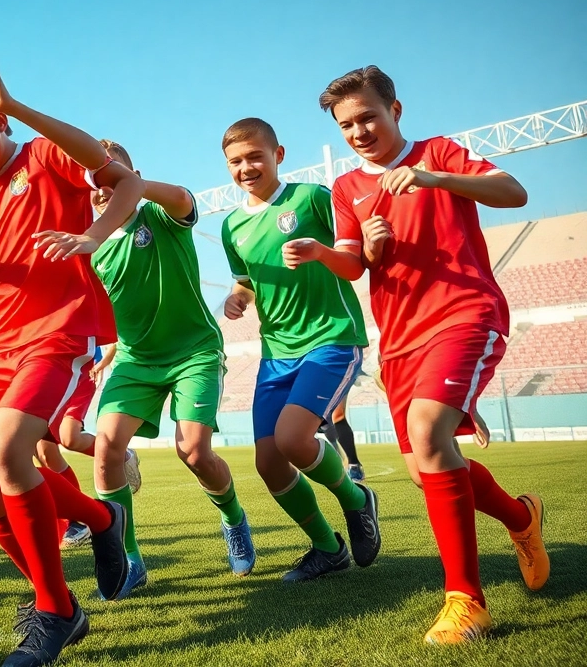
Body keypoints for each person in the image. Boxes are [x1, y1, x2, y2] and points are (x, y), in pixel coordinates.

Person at [319, 66, 548, 644]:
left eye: (368, 116)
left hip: (464, 313)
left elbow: (513, 192)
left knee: (427, 433)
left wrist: (433, 178)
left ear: (396, 110)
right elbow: (352, 267)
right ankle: (522, 518)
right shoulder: (346, 189)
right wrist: (346, 252)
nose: (359, 131)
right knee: (427, 472)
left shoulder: (440, 153)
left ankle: (466, 601)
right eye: (347, 124)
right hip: (398, 339)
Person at [0, 37, 140, 667]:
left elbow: (120, 178)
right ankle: (100, 525)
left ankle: (54, 609)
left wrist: (16, 103)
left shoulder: (45, 156)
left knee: (9, 450)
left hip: (58, 332)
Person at [220, 117, 381, 583]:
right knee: (268, 463)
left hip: (331, 338)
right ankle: (328, 549)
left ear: (278, 155)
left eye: (255, 156)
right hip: (276, 352)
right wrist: (239, 297)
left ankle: (357, 499)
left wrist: (323, 250)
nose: (246, 167)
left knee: (293, 439)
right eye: (235, 161)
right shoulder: (233, 226)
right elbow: (246, 281)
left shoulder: (310, 197)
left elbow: (353, 253)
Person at [92, 139, 254, 583]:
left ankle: (234, 519)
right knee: (106, 448)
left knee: (194, 452)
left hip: (193, 353)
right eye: (94, 181)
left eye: (111, 173)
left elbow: (182, 198)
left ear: (134, 174)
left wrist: (133, 185)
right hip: (135, 360)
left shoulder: (161, 214)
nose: (103, 184)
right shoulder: (92, 247)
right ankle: (130, 561)